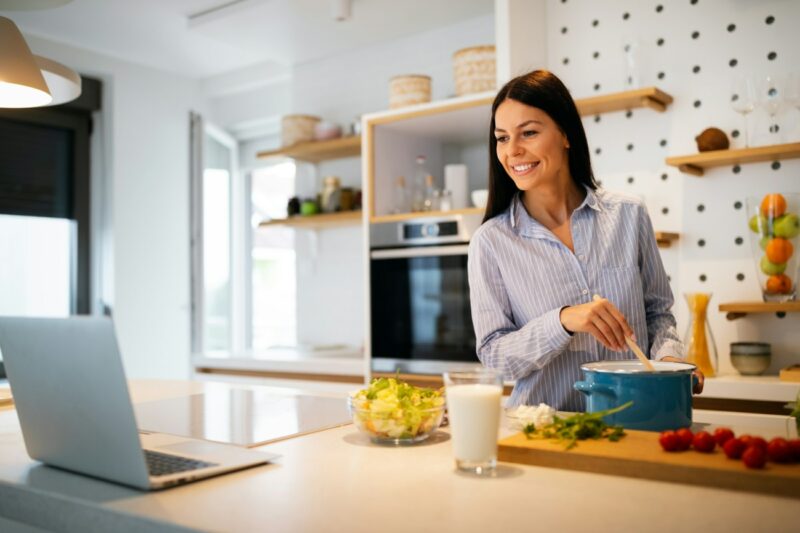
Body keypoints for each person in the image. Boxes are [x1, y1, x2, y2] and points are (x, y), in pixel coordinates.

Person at [468, 69, 703, 411]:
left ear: (565, 134)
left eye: (528, 133)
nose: (512, 150)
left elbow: (658, 315)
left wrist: (670, 361)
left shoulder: (629, 215)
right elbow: (494, 357)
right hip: (545, 430)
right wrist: (562, 321)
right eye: (502, 138)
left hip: (635, 419)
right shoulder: (491, 242)